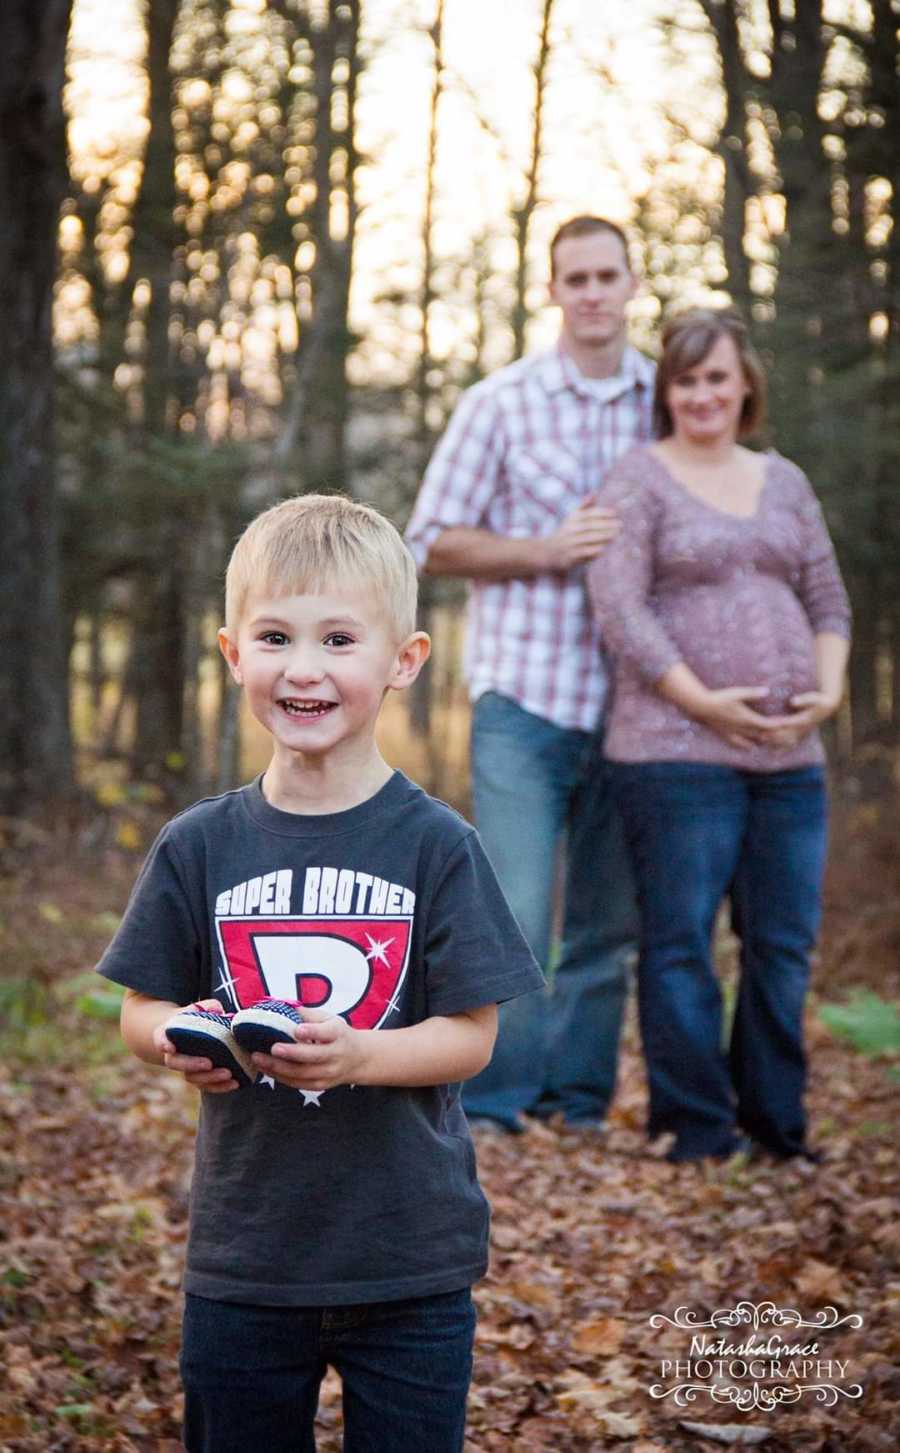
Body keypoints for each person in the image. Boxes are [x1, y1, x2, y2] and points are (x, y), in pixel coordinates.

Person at [97, 494, 542, 1453]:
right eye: (276, 636)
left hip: (408, 1258)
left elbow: (473, 1034)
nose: (304, 668)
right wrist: (185, 1040)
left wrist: (358, 1055)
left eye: (340, 638)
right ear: (231, 653)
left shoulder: (437, 845)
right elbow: (139, 1010)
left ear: (403, 662)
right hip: (246, 1257)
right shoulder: (198, 844)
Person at [405, 215, 655, 1133]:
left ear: (634, 284)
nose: (591, 292)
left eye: (607, 275)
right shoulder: (500, 402)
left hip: (637, 707)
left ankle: (579, 1101)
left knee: (605, 922)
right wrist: (548, 549)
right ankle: (499, 1100)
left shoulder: (666, 402)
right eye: (574, 277)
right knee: (512, 905)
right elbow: (429, 541)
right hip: (524, 696)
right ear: (552, 290)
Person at [588, 307, 851, 1163]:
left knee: (781, 946)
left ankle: (777, 1124)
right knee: (680, 945)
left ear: (746, 384)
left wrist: (829, 689)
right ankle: (695, 1126)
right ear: (668, 392)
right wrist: (701, 699)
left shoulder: (785, 479)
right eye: (686, 379)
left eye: (716, 376)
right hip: (672, 753)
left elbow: (827, 599)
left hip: (787, 755)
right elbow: (619, 608)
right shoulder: (639, 477)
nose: (702, 393)